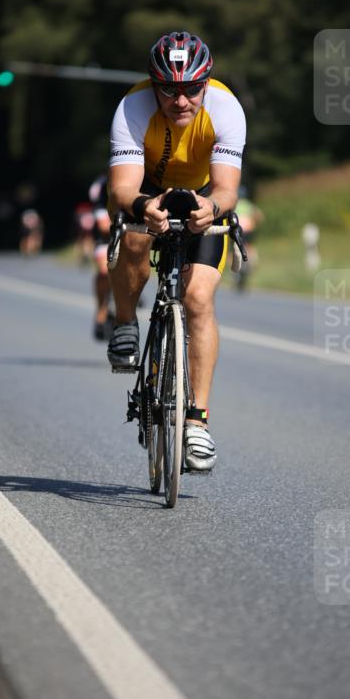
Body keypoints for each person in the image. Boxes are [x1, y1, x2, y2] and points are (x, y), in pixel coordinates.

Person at [106, 31, 246, 471]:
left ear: (207, 83)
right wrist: (145, 206)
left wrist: (213, 207)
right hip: (146, 189)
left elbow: (227, 188)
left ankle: (197, 423)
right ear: (153, 85)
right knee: (132, 237)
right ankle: (126, 321)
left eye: (191, 89)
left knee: (198, 297)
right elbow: (122, 188)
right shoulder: (132, 107)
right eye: (168, 88)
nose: (180, 100)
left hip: (202, 195)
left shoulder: (226, 108)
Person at [88, 174, 114, 340]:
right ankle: (101, 309)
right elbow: (104, 226)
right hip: (105, 240)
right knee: (104, 271)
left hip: (130, 234)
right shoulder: (101, 187)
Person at [234, 187, 263, 291]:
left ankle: (235, 269)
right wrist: (254, 223)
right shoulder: (249, 205)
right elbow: (259, 215)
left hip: (239, 230)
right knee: (249, 247)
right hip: (250, 229)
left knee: (236, 248)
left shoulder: (235, 204)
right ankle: (252, 261)